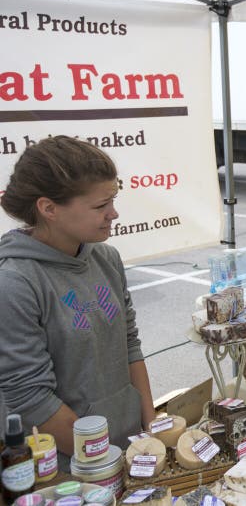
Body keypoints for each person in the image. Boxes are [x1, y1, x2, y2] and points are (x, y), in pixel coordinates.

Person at [0, 136, 156, 469]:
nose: (113, 213)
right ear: (49, 208)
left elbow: (130, 345)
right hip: (68, 467)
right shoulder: (15, 282)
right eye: (101, 206)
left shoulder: (106, 258)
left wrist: (150, 430)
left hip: (127, 449)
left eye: (113, 200)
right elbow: (31, 399)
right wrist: (104, 459)